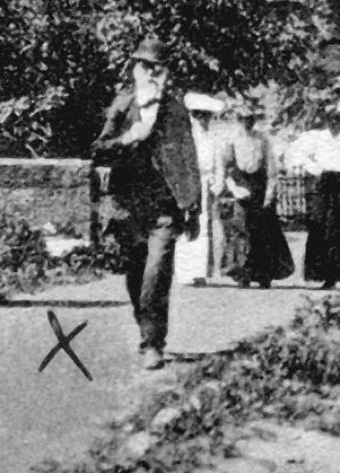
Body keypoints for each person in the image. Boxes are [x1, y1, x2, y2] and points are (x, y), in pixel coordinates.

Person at [91, 35, 202, 370]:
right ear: (135, 69)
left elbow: (187, 157)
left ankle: (152, 343)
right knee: (136, 274)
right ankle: (146, 326)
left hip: (165, 205)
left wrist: (193, 206)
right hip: (129, 204)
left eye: (159, 67)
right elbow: (98, 149)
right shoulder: (122, 105)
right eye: (145, 66)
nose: (152, 72)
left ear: (166, 73)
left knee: (157, 272)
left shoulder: (175, 108)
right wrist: (128, 138)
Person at [290, 96, 340, 289]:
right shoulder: (317, 137)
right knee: (320, 226)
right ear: (326, 119)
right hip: (323, 183)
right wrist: (314, 168)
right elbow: (296, 154)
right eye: (333, 119)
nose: (336, 123)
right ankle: (326, 275)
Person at [216, 107, 294, 288]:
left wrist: (269, 193)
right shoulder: (231, 140)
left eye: (251, 119)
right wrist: (233, 188)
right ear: (238, 119)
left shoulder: (262, 139)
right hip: (241, 185)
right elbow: (226, 167)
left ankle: (263, 273)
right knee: (242, 229)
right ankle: (243, 273)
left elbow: (271, 168)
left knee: (263, 230)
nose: (248, 122)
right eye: (243, 119)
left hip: (259, 186)